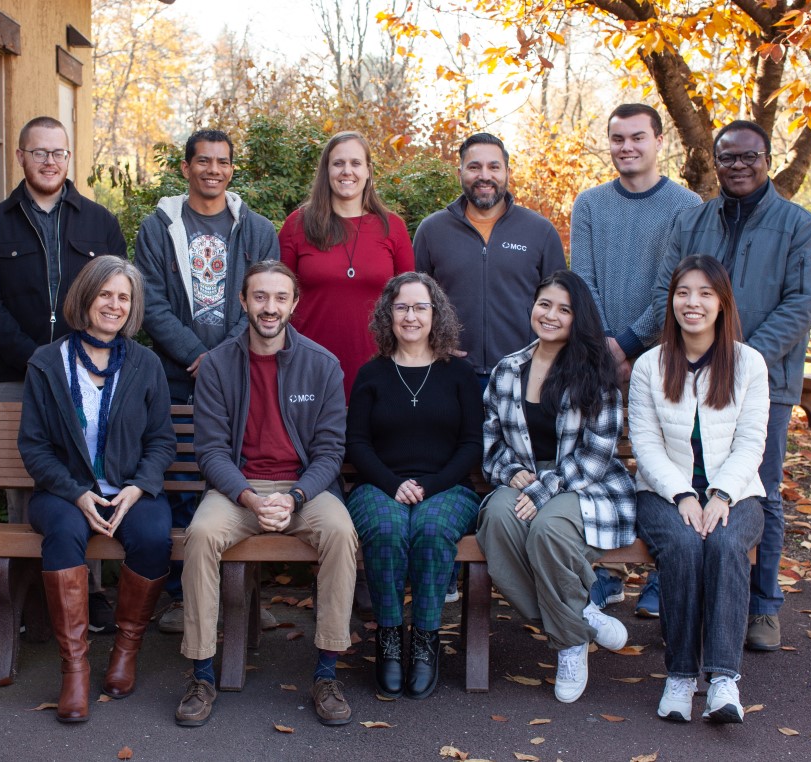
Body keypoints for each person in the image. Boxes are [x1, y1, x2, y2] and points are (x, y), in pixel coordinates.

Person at [654, 120, 811, 650]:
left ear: (768, 159)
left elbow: (803, 302)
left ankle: (763, 606)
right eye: (728, 157)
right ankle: (688, 594)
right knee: (688, 481)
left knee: (759, 490)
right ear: (715, 161)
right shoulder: (692, 221)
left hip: (764, 381)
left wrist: (741, 358)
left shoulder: (797, 224)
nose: (739, 165)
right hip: (688, 375)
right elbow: (667, 288)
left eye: (750, 156)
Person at [175, 260, 358, 728]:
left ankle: (326, 673)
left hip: (304, 490)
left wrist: (294, 497)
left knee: (341, 532)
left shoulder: (322, 365)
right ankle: (201, 673)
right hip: (238, 491)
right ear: (243, 301)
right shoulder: (218, 365)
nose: (269, 307)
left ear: (294, 304)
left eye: (280, 298)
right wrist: (250, 498)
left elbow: (330, 452)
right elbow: (211, 452)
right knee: (201, 535)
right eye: (260, 297)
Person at [0, 115, 126, 633]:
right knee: (23, 484)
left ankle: (90, 591)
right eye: (39, 152)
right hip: (17, 372)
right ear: (21, 157)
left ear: (68, 158)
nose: (49, 161)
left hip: (92, 370)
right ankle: (27, 594)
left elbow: (116, 296)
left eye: (58, 153)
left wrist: (79, 359)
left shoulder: (99, 222)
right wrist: (40, 361)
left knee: (89, 473)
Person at [17, 256, 175, 723]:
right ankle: (75, 669)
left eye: (124, 297)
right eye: (105, 294)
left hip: (128, 491)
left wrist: (139, 487)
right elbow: (34, 445)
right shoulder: (47, 363)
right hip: (63, 492)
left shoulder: (145, 363)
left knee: (153, 536)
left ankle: (125, 651)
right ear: (86, 297)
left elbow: (161, 441)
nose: (114, 304)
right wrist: (75, 492)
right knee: (64, 533)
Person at [135, 128, 279, 634]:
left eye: (222, 162)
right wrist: (197, 355)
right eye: (203, 161)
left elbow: (267, 295)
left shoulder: (257, 229)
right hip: (175, 377)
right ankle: (183, 598)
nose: (212, 170)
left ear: (232, 169)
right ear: (186, 167)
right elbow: (149, 300)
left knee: (243, 475)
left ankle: (246, 598)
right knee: (179, 482)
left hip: (242, 373)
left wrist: (221, 357)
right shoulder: (157, 227)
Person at [476, 270, 636, 704]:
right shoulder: (508, 370)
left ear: (577, 318)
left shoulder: (596, 373)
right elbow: (491, 442)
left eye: (564, 309)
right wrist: (510, 471)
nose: (550, 315)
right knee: (496, 519)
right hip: (525, 478)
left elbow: (597, 455)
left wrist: (545, 488)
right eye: (544, 304)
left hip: (585, 484)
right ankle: (580, 621)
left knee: (548, 530)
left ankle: (567, 644)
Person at [571, 103, 701, 619]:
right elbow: (584, 280)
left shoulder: (686, 205)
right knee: (600, 461)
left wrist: (628, 344)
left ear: (659, 141)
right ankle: (606, 570)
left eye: (637, 137)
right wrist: (606, 344)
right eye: (618, 138)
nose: (626, 147)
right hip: (598, 357)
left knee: (664, 460)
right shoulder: (590, 204)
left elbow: (676, 286)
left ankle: (663, 572)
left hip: (664, 358)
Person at [631, 256, 768, 723]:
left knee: (726, 544)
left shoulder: (748, 363)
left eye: (706, 293)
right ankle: (681, 675)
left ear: (722, 303)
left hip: (737, 493)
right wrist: (683, 495)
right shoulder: (650, 365)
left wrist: (722, 493)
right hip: (663, 493)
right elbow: (646, 444)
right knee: (685, 545)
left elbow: (751, 442)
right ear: (671, 301)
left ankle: (724, 681)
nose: (693, 303)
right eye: (683, 292)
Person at [346, 273, 483, 700]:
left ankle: (425, 639)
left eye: (420, 307)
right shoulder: (371, 374)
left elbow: (471, 443)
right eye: (402, 307)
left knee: (430, 529)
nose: (411, 316)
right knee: (387, 529)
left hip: (448, 487)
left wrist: (430, 484)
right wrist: (393, 483)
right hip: (378, 485)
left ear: (435, 314)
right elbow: (357, 442)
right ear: (387, 314)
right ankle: (389, 638)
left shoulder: (459, 374)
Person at [414, 132, 567, 386]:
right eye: (474, 167)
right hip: (448, 371)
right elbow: (415, 301)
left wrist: (547, 355)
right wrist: (432, 343)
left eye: (494, 167)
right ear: (460, 173)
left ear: (507, 172)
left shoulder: (540, 231)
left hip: (524, 372)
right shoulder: (432, 230)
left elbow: (562, 304)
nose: (484, 176)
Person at [279, 131, 415, 400]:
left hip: (380, 368)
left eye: (355, 163)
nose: (347, 171)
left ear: (368, 171)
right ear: (326, 170)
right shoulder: (297, 224)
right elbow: (277, 299)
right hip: (308, 367)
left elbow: (410, 301)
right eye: (338, 163)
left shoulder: (392, 227)